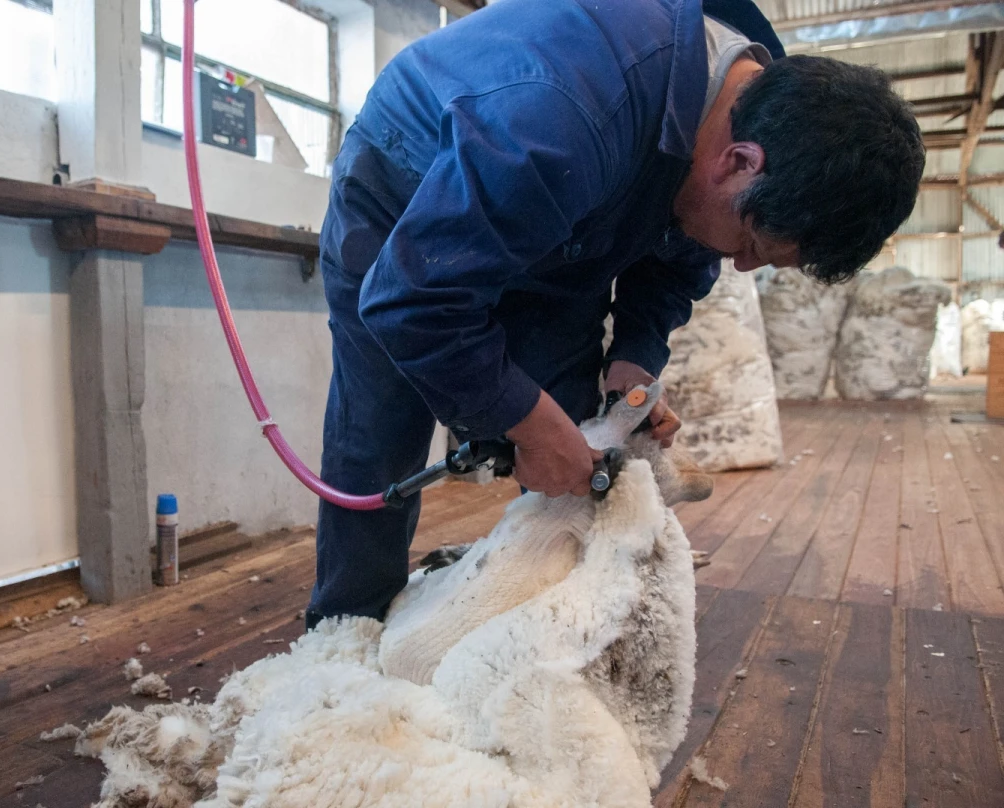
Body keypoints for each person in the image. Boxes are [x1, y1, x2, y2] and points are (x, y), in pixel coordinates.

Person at [305, 0, 924, 628]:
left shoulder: (770, 116)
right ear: (740, 162)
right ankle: (345, 638)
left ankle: (551, 631)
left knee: (581, 437)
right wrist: (527, 427)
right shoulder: (560, 112)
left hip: (568, 206)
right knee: (383, 426)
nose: (740, 265)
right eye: (751, 244)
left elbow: (683, 247)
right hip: (407, 186)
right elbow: (413, 303)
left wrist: (635, 354)